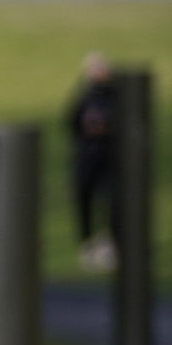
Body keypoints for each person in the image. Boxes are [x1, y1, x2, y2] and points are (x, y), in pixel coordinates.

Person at [67, 53, 120, 273]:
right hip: (87, 157)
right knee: (85, 199)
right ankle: (88, 244)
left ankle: (108, 243)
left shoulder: (116, 97)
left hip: (110, 159)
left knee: (112, 202)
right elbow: (71, 123)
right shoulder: (84, 97)